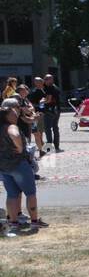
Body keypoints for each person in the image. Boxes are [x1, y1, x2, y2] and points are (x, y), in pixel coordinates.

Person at [0, 101, 44, 235]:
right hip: (18, 164)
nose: (16, 113)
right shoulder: (11, 126)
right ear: (7, 116)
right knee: (30, 193)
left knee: (12, 194)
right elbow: (15, 135)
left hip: (4, 165)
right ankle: (35, 220)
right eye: (13, 112)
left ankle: (13, 223)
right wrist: (19, 148)